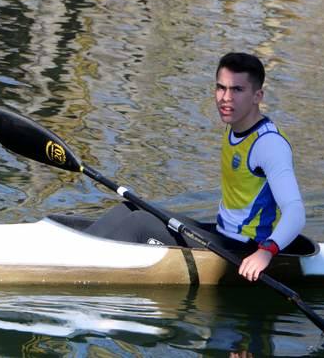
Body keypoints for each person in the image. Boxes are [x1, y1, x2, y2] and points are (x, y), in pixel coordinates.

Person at [85, 52, 305, 282]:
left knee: (140, 224)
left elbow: (296, 213)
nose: (225, 98)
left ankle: (75, 264)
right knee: (130, 208)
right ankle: (75, 248)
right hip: (223, 234)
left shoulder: (269, 144)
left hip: (246, 250)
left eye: (237, 90)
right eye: (221, 88)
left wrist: (264, 253)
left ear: (257, 96)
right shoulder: (234, 125)